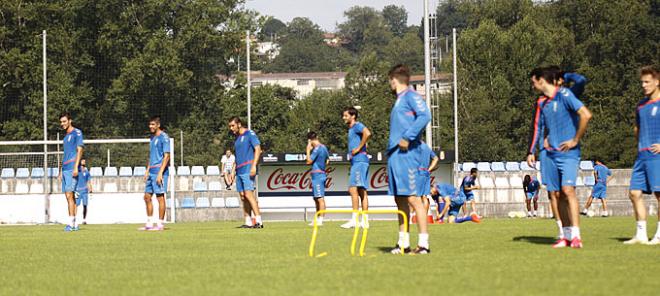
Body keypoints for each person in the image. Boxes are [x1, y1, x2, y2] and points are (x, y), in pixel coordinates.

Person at [527, 66, 592, 248]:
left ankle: (576, 236)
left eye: (534, 82)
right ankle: (566, 235)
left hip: (568, 153)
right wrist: (532, 151)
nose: (532, 86)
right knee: (556, 194)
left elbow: (586, 115)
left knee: (568, 190)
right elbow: (537, 127)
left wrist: (574, 140)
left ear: (541, 80)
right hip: (549, 154)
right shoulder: (541, 102)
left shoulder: (565, 94)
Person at [386, 64, 432, 254]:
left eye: (389, 80)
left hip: (408, 154)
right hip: (395, 154)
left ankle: (423, 244)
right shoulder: (399, 99)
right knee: (400, 199)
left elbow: (425, 115)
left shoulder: (411, 96)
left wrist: (408, 136)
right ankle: (403, 243)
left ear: (393, 80)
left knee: (414, 199)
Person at [624, 65, 660, 245]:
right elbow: (637, 127)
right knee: (634, 193)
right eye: (642, 82)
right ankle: (641, 234)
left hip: (657, 155)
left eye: (647, 82)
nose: (644, 85)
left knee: (659, 194)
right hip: (642, 155)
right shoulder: (640, 105)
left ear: (657, 81)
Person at [229, 116, 263, 229]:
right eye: (230, 126)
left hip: (248, 168)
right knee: (243, 196)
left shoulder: (250, 134)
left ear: (239, 124)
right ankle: (248, 221)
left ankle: (259, 221)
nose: (231, 128)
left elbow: (258, 149)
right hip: (239, 169)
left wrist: (254, 166)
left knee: (249, 194)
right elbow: (237, 156)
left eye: (233, 125)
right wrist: (233, 171)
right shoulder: (237, 138)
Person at [341, 107, 372, 229]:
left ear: (353, 116)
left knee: (352, 189)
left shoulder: (357, 125)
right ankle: (365, 221)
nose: (343, 118)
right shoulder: (351, 129)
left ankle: (354, 220)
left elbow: (367, 133)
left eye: (345, 115)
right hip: (358, 161)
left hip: (359, 161)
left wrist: (359, 148)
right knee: (361, 191)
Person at [140, 116, 170, 231]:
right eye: (150, 124)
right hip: (151, 170)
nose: (150, 126)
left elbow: (167, 156)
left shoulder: (164, 137)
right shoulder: (152, 138)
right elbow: (152, 155)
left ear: (158, 125)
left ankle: (160, 224)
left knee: (160, 197)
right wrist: (147, 170)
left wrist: (160, 173)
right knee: (147, 197)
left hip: (159, 171)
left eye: (152, 124)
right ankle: (149, 223)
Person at [59, 112, 84, 232]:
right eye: (61, 122)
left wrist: (75, 167)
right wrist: (60, 170)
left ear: (70, 121)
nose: (62, 124)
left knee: (70, 195)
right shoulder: (65, 137)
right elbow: (65, 154)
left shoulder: (77, 133)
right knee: (68, 196)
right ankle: (74, 223)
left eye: (64, 121)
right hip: (65, 169)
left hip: (71, 169)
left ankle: (71, 223)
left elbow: (80, 150)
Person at [305, 132, 329, 226]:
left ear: (310, 140)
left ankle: (320, 220)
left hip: (318, 175)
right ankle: (318, 218)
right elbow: (328, 160)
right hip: (319, 174)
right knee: (316, 198)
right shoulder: (324, 147)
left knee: (320, 198)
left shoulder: (317, 149)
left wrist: (307, 150)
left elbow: (308, 161)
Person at [418, 142, 439, 221]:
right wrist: (429, 169)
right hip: (426, 173)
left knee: (414, 196)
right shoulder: (427, 147)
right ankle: (424, 217)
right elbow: (436, 158)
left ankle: (411, 218)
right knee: (424, 197)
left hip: (417, 173)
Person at [75, 158, 93, 225]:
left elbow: (88, 181)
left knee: (85, 205)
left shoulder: (86, 171)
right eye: (83, 161)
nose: (84, 162)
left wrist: (90, 190)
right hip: (77, 190)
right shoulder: (77, 170)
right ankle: (74, 219)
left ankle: (84, 219)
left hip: (85, 191)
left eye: (85, 161)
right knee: (76, 205)